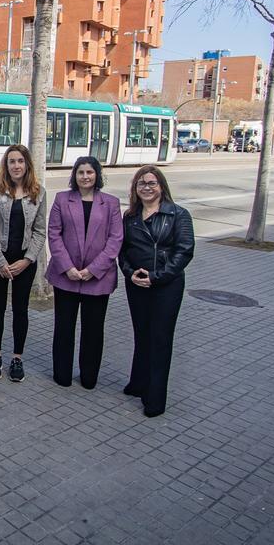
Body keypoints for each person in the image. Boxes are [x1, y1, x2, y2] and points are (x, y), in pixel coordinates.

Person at [119, 165, 194, 418]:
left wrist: (156, 277)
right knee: (141, 334)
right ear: (135, 188)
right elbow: (123, 250)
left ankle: (155, 396)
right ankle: (138, 382)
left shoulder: (178, 214)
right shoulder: (130, 216)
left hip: (166, 286)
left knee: (160, 339)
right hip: (136, 283)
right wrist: (130, 273)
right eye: (141, 183)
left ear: (161, 186)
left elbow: (184, 250)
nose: (147, 187)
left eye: (151, 183)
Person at [46, 156, 123, 389]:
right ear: (74, 175)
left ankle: (89, 377)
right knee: (64, 328)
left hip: (97, 279)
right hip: (65, 276)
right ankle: (62, 375)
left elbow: (115, 239)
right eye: (81, 172)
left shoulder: (110, 203)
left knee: (93, 330)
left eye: (90, 172)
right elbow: (54, 234)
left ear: (97, 175)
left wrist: (94, 269)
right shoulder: (62, 199)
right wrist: (67, 267)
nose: (85, 176)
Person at [0, 144, 47, 383]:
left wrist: (27, 260)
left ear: (27, 164)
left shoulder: (38, 192)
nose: (16, 165)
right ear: (6, 164)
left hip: (24, 261)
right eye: (12, 161)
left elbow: (40, 231)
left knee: (20, 309)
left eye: (20, 161)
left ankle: (17, 358)